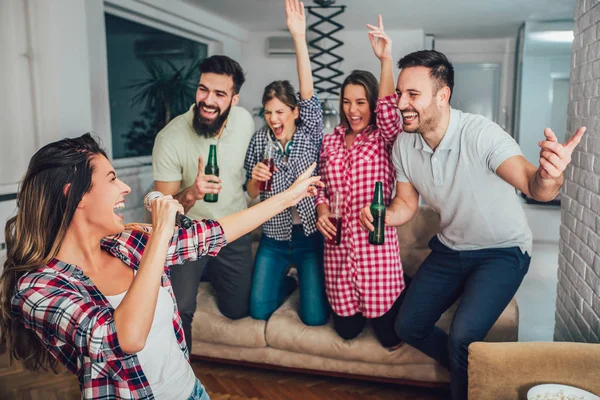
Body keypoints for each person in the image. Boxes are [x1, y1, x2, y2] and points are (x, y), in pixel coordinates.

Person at [0, 133, 322, 399]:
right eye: (112, 178)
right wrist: (161, 234)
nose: (125, 188)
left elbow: (214, 234)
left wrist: (288, 198)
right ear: (76, 195)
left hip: (193, 392)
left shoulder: (127, 244)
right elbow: (124, 338)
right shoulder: (38, 288)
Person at [358, 49, 585, 399]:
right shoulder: (404, 145)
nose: (400, 102)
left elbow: (532, 185)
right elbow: (405, 203)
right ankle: (474, 370)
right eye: (400, 93)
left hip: (502, 251)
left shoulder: (480, 134)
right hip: (450, 248)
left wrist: (550, 176)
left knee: (464, 336)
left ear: (442, 95)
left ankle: (466, 373)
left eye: (412, 94)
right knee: (407, 324)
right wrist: (384, 216)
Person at [315, 16, 408, 348]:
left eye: (360, 102)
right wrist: (322, 211)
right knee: (347, 332)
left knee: (390, 338)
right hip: (338, 252)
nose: (353, 110)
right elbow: (321, 187)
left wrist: (385, 60)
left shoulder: (385, 137)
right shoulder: (330, 141)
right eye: (346, 101)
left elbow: (388, 111)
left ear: (371, 103)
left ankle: (404, 285)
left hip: (376, 253)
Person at [152, 54, 255, 349]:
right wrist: (192, 194)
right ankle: (180, 381)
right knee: (181, 307)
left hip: (233, 229)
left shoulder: (245, 122)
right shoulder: (170, 137)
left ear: (234, 100)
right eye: (203, 89)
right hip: (188, 233)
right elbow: (164, 213)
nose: (208, 100)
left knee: (237, 309)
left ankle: (210, 270)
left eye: (220, 94)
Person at [244, 0, 328, 326]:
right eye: (268, 112)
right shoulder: (258, 141)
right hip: (273, 240)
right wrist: (255, 178)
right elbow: (250, 193)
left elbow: (307, 91)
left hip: (308, 238)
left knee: (314, 317)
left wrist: (299, 37)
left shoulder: (310, 132)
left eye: (280, 111)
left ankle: (303, 285)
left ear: (294, 112)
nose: (273, 118)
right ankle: (289, 282)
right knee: (259, 311)